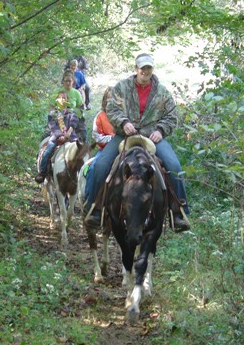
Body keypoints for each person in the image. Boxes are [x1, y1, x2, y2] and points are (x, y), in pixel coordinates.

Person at [85, 53, 190, 232]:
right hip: (124, 135)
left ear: (152, 70)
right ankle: (95, 209)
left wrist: (161, 130)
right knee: (100, 165)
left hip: (152, 137)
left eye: (148, 68)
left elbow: (172, 116)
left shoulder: (162, 92)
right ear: (136, 69)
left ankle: (179, 212)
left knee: (174, 165)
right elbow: (111, 108)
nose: (145, 71)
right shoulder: (122, 87)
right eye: (142, 68)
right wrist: (123, 122)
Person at [35, 91, 79, 184]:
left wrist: (68, 133)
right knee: (47, 152)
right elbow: (53, 127)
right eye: (60, 98)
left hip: (70, 138)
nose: (62, 100)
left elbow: (74, 122)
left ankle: (80, 174)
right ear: (57, 100)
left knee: (81, 151)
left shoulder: (72, 112)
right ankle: (43, 172)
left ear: (68, 100)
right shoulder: (53, 114)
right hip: (56, 138)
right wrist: (60, 135)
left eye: (64, 98)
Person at [84, 87, 115, 201]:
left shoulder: (125, 115)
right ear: (105, 99)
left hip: (124, 149)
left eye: (114, 97)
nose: (111, 100)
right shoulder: (100, 116)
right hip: (105, 150)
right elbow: (96, 137)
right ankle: (89, 201)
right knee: (93, 169)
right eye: (109, 97)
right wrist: (112, 139)